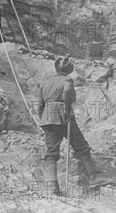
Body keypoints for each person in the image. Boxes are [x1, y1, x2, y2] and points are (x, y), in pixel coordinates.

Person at [37, 56, 104, 196]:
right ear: (67, 70)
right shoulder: (67, 80)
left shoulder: (45, 83)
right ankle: (95, 178)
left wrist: (44, 119)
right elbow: (68, 92)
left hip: (47, 119)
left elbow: (40, 105)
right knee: (81, 146)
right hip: (63, 116)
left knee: (51, 153)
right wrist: (66, 109)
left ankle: (52, 188)